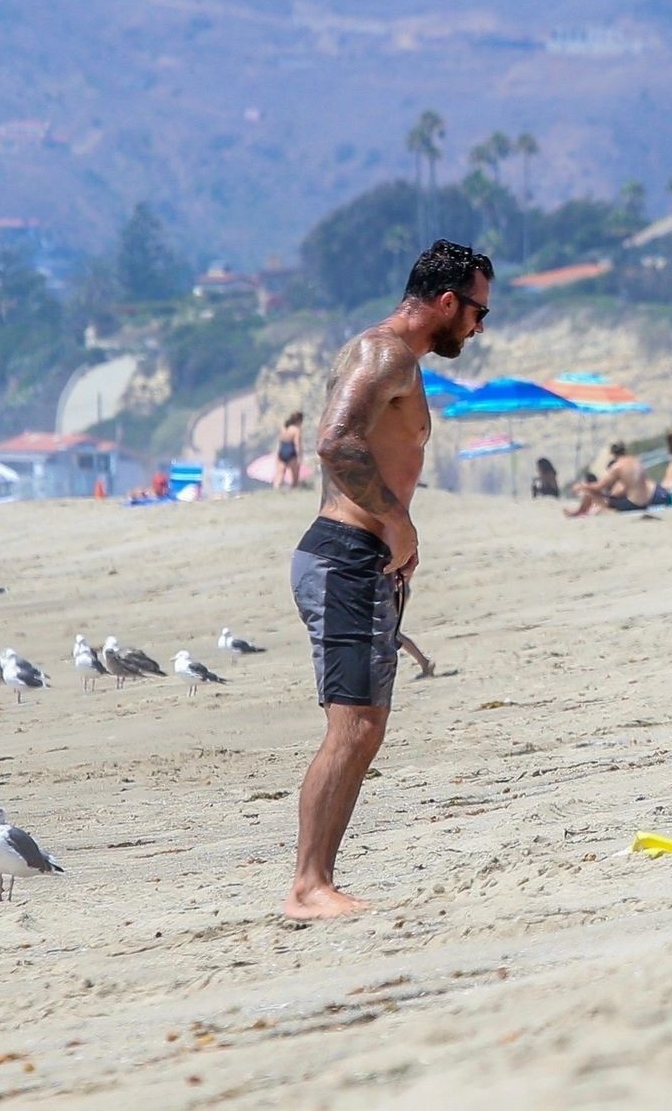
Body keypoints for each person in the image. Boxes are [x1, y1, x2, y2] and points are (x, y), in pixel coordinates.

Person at [285, 238, 491, 921]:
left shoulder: (396, 358)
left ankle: (317, 880)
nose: (479, 327)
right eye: (478, 311)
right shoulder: (385, 354)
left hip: (358, 557)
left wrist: (396, 538)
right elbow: (336, 441)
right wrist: (398, 524)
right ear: (446, 301)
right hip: (345, 555)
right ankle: (307, 886)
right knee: (352, 728)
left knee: (364, 727)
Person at [564, 442, 667, 516]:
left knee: (590, 493)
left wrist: (582, 486)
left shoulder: (618, 466)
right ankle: (583, 511)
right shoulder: (635, 461)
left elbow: (599, 486)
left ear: (613, 454)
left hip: (634, 504)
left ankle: (579, 512)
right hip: (648, 500)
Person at [275, 412, 305, 490]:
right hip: (291, 451)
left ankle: (276, 490)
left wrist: (277, 454)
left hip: (282, 451)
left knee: (279, 475)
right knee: (295, 476)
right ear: (299, 420)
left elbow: (279, 442)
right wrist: (299, 456)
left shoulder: (284, 428)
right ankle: (294, 490)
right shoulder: (296, 430)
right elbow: (297, 444)